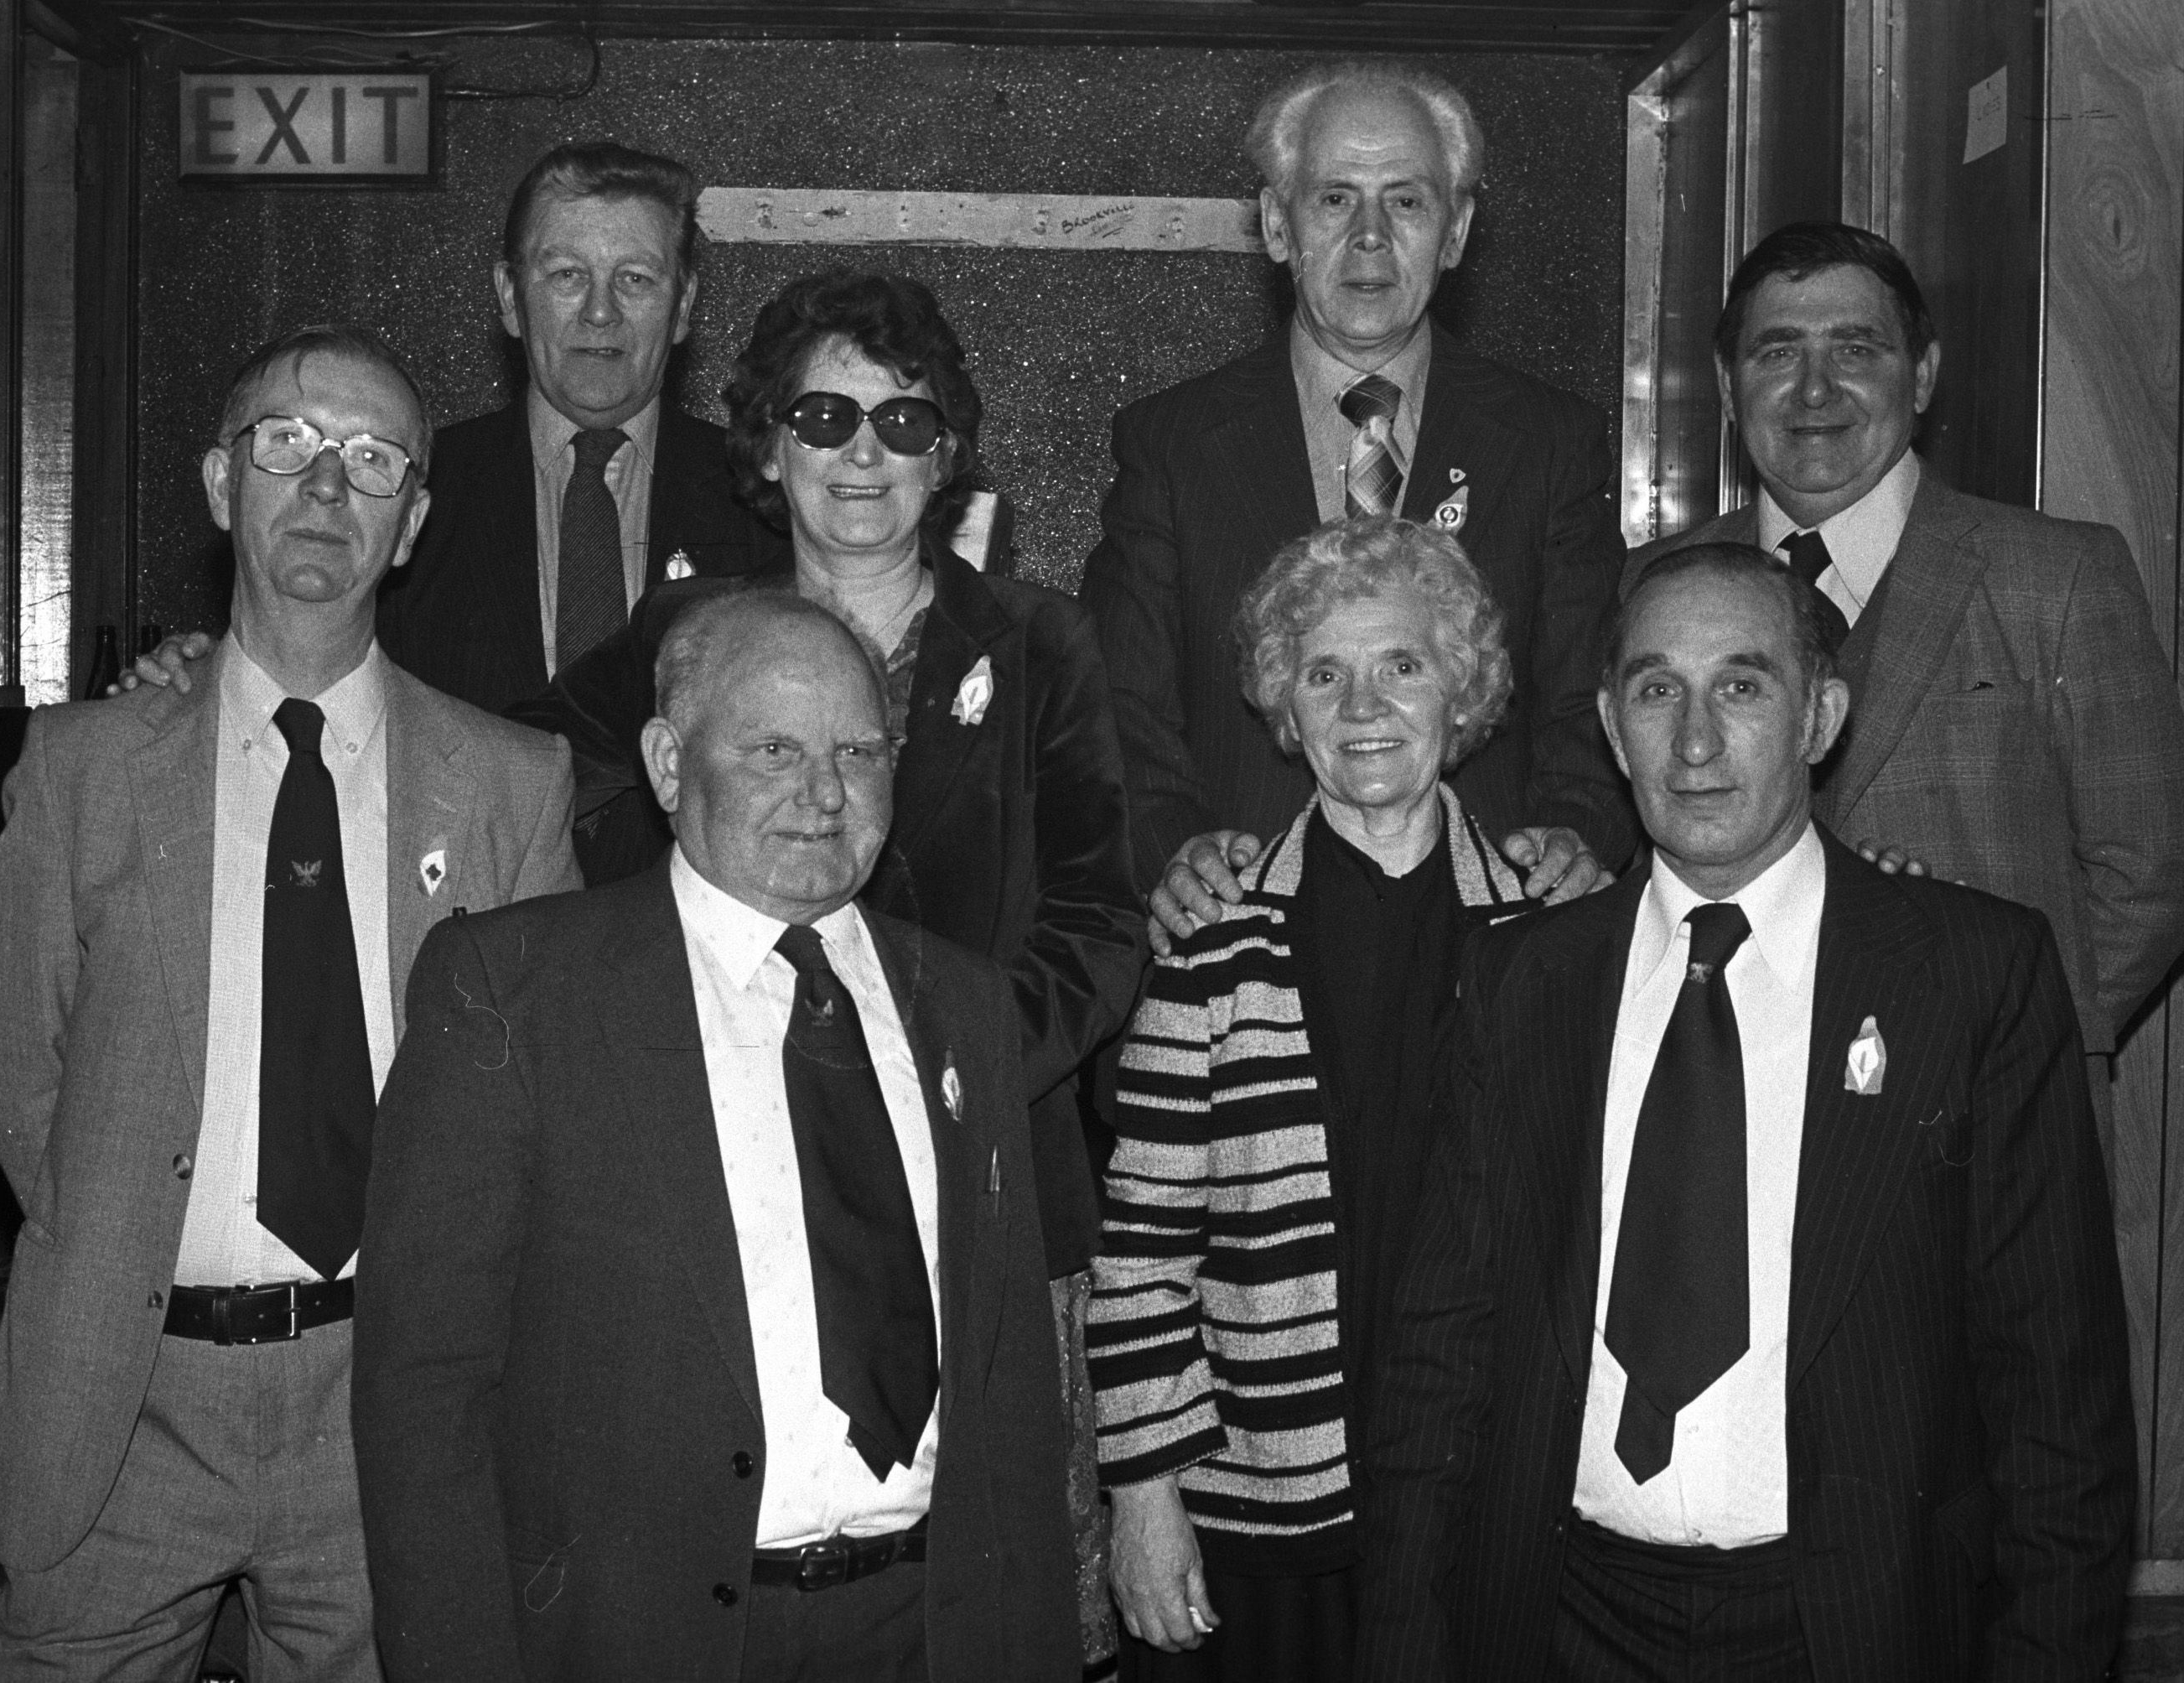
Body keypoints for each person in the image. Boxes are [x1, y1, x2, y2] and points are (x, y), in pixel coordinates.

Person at [512, 268, 1145, 1664]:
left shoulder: (1039, 643)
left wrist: (944, 1075)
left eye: (905, 420)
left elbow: (1103, 924)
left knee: (991, 1609)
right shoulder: (693, 639)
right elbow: (500, 768)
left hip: (986, 1179)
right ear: (767, 443)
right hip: (732, 1186)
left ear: (951, 449)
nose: (865, 452)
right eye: (824, 413)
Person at [1359, 543, 2134, 1680]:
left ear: (1820, 714)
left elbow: (2056, 1400)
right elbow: (1438, 1356)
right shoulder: (1522, 982)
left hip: (1850, 1624)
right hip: (1558, 1615)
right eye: (1656, 688)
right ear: (1612, 728)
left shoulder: (1971, 978)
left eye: (1742, 683)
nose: (1696, 740)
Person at [0, 325, 580, 1676]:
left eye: (371, 459)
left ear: (412, 520)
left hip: (383, 1402)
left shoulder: (510, 787)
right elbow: (21, 1082)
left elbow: (537, 1117)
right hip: (122, 1408)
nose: (325, 487)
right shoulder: (80, 771)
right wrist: (126, 1228)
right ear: (218, 482)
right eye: (287, 444)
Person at [351, 590, 1079, 1677]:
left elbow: (1014, 1392)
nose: (824, 792)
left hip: (932, 1629)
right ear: (663, 760)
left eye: (859, 750)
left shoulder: (965, 1005)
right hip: (646, 1640)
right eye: (774, 746)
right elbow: (424, 1400)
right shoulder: (515, 993)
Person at [1625, 221, 2184, 1134]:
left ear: (1924, 375)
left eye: (1856, 349)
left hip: (1990, 1123)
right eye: (1777, 351)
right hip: (1721, 1113)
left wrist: (2001, 1022)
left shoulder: (2056, 578)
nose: (1815, 388)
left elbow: (2157, 870)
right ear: (1727, 387)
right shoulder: (1653, 590)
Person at [1092, 515, 1537, 1683]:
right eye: (1324, 674)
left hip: (1485, 1502)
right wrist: (1142, 1496)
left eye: (1402, 664)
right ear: (1285, 711)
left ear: (1462, 688)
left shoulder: (1552, 935)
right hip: (1262, 1515)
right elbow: (1140, 1247)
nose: (1364, 704)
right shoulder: (1208, 940)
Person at [1084, 57, 1634, 952]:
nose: (1370, 236)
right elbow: (1120, 706)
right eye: (1335, 199)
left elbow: (1591, 696)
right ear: (1275, 224)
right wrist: (1172, 850)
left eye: (1407, 202)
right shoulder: (1173, 444)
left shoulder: (1549, 442)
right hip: (1239, 938)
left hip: (1493, 945)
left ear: (1455, 232)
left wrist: (1579, 834)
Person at [372, 140, 781, 713]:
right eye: (567, 275)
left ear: (684, 304)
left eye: (635, 279)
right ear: (511, 297)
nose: (599, 311)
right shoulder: (412, 493)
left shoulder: (761, 501)